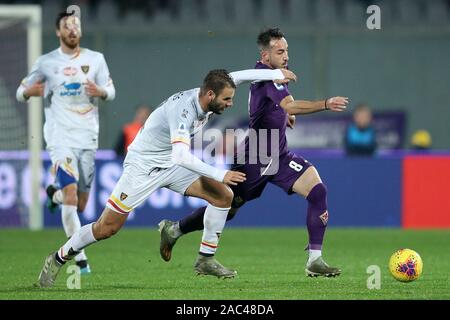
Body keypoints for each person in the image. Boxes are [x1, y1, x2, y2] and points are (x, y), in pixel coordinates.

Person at [34, 67, 296, 288]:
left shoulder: (213, 89)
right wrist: (220, 173)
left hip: (170, 161)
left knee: (223, 196)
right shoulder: (184, 112)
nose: (230, 104)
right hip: (143, 167)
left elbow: (237, 76)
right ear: (210, 94)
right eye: (227, 100)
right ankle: (58, 257)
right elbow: (183, 156)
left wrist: (274, 72)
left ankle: (205, 258)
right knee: (107, 228)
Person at [158, 27, 348, 277]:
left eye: (287, 50)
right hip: (256, 157)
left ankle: (315, 259)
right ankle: (175, 230)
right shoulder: (265, 76)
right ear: (266, 55)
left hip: (278, 153)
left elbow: (279, 106)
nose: (286, 56)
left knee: (317, 190)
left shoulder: (271, 76)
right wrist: (323, 104)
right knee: (227, 205)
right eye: (280, 51)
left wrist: (283, 116)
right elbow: (289, 103)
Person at [16, 11, 116, 274]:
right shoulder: (46, 62)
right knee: (72, 197)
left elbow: (111, 91)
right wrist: (28, 91)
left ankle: (53, 194)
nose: (72, 29)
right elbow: (20, 91)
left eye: (76, 25)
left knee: (81, 203)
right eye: (67, 26)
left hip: (87, 137)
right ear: (59, 32)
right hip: (60, 137)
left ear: (80, 31)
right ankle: (80, 258)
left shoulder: (96, 59)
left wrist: (101, 91)